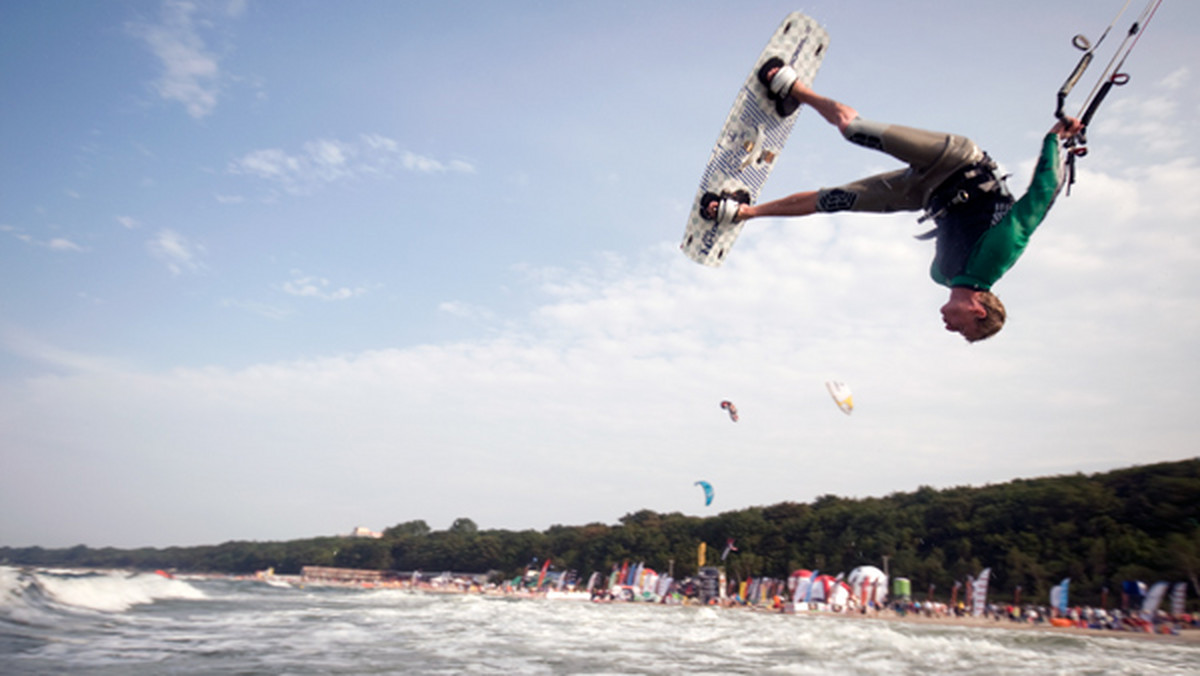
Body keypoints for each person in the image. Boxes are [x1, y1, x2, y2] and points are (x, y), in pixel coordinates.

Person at [703, 62, 1085, 342]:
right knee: (855, 131)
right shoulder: (997, 257)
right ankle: (797, 90)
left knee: (835, 200)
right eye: (963, 329)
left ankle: (745, 211)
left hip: (925, 195)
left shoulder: (941, 276)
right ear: (978, 311)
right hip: (957, 161)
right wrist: (1054, 139)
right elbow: (1041, 197)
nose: (951, 329)